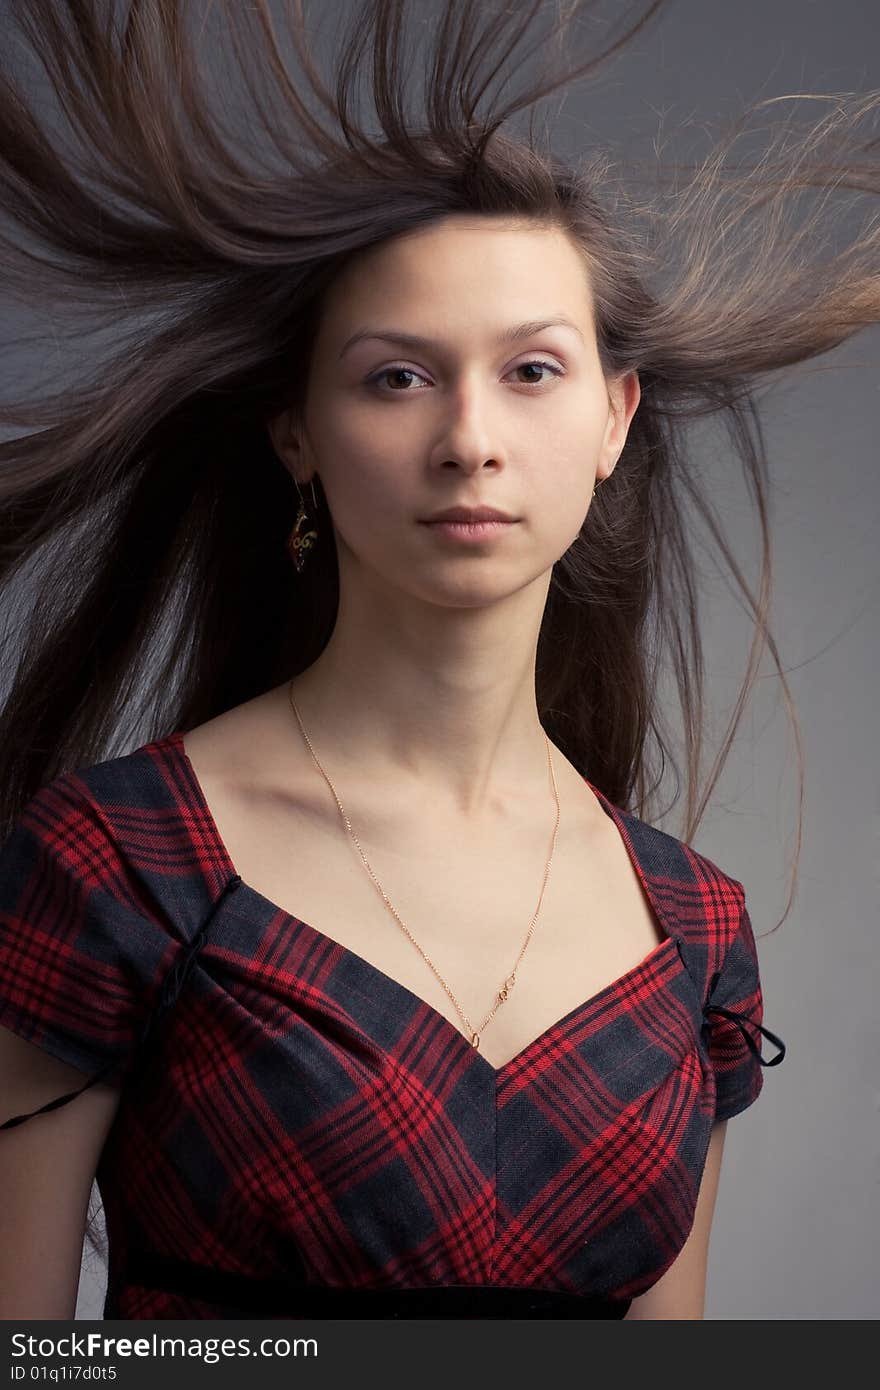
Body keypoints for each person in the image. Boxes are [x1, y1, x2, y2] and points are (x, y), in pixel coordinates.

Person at [1, 0, 875, 1321]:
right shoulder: (117, 866)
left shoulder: (693, 933)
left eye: (531, 369)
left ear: (612, 418)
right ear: (295, 429)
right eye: (397, 379)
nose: (470, 438)